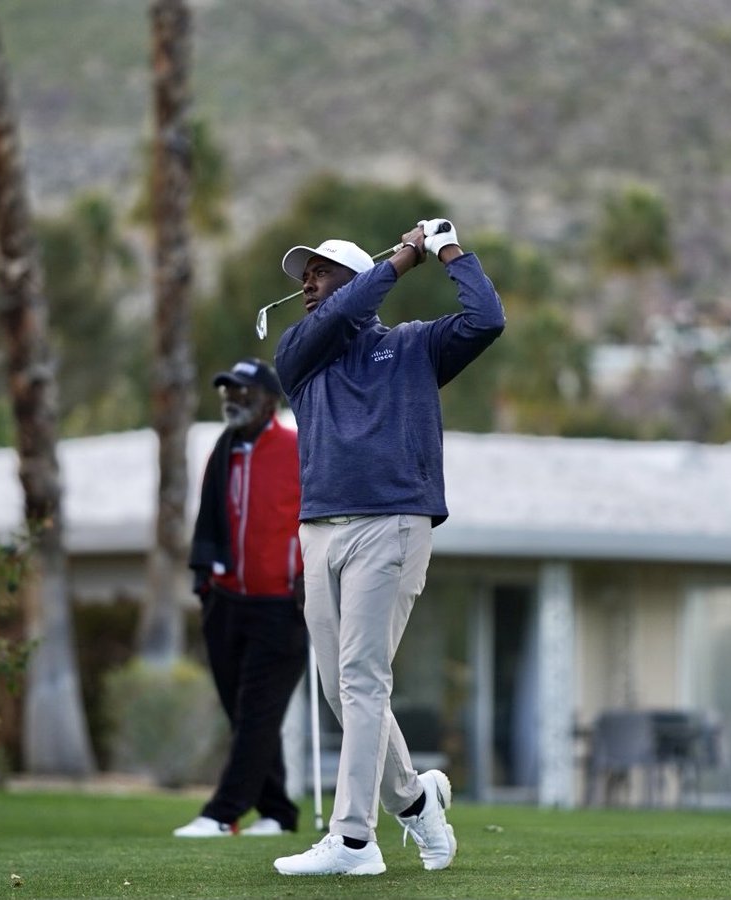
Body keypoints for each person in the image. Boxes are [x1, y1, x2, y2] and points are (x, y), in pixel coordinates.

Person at [270, 219, 505, 875]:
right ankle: (415, 800)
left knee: (362, 679)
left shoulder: (413, 347)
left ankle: (353, 840)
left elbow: (486, 319)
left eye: (320, 273)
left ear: (354, 279)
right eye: (304, 275)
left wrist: (446, 248)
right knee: (341, 689)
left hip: (393, 523)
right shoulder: (300, 353)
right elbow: (338, 317)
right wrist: (402, 259)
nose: (308, 285)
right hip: (319, 531)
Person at [173, 357, 309, 838]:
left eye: (243, 392)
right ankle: (278, 812)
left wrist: (308, 572)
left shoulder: (299, 448)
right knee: (244, 713)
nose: (233, 399)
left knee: (257, 713)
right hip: (226, 600)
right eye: (227, 391)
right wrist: (208, 586)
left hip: (283, 606)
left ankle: (222, 813)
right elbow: (211, 519)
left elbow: (326, 517)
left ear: (269, 400)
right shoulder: (224, 449)